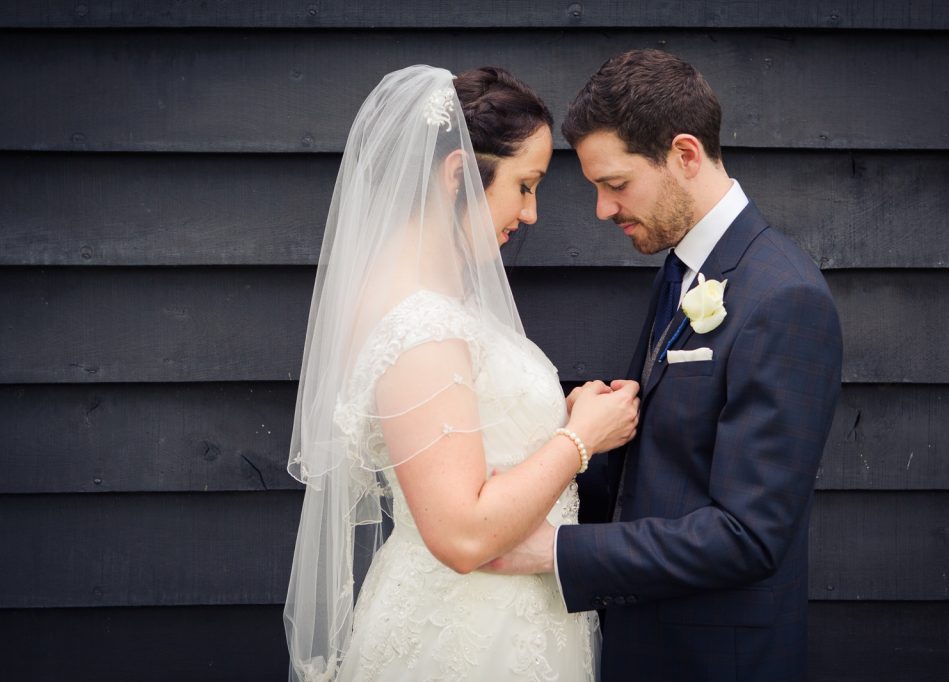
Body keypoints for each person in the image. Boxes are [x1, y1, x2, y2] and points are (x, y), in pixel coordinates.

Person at [489, 49, 844, 681]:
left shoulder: (783, 296)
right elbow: (666, 463)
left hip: (716, 661)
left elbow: (750, 535)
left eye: (616, 184)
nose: (602, 209)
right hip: (649, 642)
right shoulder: (683, 268)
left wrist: (556, 550)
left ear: (684, 155)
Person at [283, 65, 640, 682]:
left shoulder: (435, 304)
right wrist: (581, 438)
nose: (530, 214)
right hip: (464, 639)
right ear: (458, 177)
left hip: (509, 619)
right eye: (525, 186)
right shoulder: (423, 327)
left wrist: (565, 415)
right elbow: (462, 535)